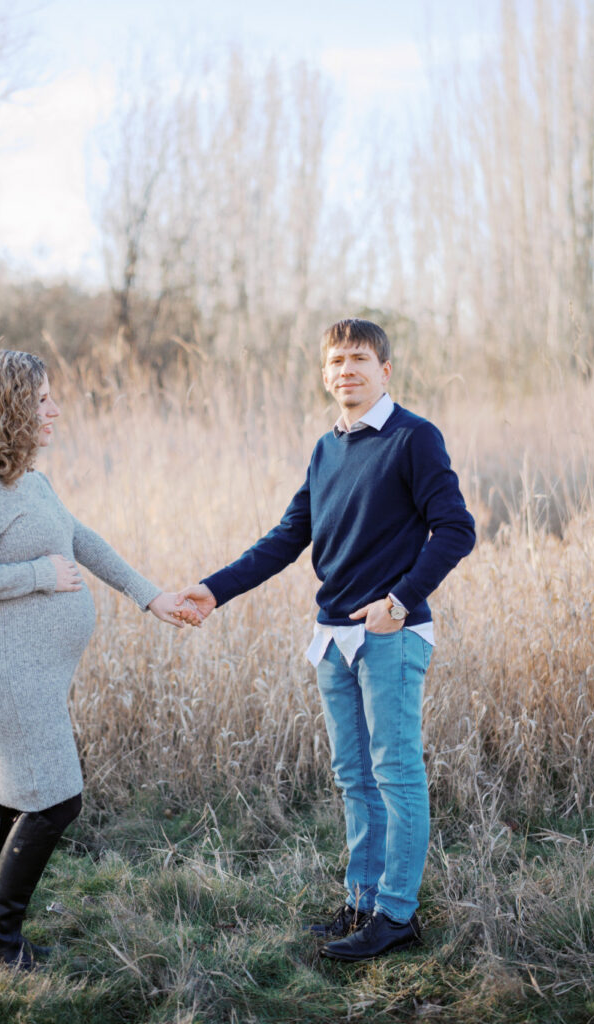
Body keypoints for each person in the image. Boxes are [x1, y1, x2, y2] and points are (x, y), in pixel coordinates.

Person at [175, 319, 475, 961]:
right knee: (353, 777)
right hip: (331, 639)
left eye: (360, 359)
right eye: (336, 360)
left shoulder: (413, 438)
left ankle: (397, 915)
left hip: (390, 637)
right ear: (324, 373)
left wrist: (399, 601)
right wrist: (214, 589)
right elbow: (288, 537)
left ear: (385, 370)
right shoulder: (326, 447)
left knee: (396, 773)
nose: (347, 370)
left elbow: (456, 529)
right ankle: (362, 903)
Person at [0, 350, 200, 970]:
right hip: (4, 676)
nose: (54, 409)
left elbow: (79, 538)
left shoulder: (28, 478)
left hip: (33, 676)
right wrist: (40, 576)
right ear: (7, 408)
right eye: (42, 398)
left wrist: (149, 595)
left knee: (7, 795)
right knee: (56, 800)